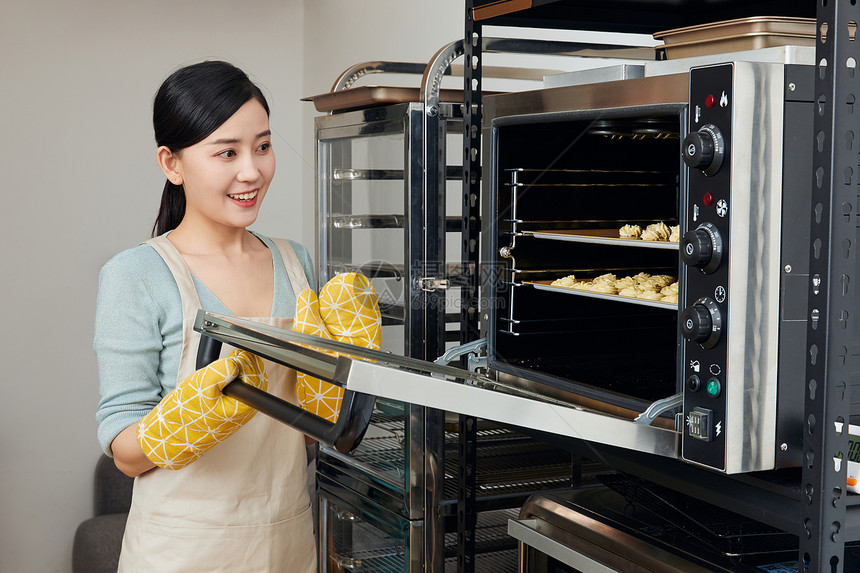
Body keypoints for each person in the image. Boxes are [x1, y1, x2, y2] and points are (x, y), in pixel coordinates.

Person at [94, 60, 316, 572]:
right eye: (227, 152)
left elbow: (306, 431)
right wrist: (191, 421)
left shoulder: (297, 263)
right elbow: (124, 451)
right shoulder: (136, 275)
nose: (251, 171)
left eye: (262, 146)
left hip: (286, 541)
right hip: (181, 550)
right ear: (172, 164)